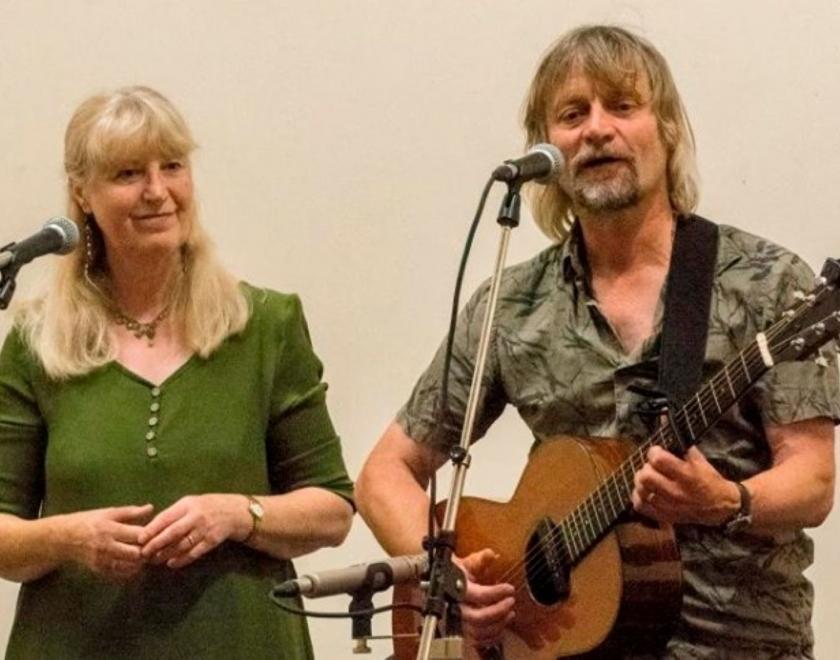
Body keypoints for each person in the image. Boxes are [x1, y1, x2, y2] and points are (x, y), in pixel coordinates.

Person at [356, 25, 839, 658]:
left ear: (665, 130)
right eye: (572, 114)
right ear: (548, 150)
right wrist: (445, 573)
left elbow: (813, 481)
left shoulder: (767, 282)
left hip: (739, 644)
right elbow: (383, 474)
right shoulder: (512, 304)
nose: (596, 129)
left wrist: (725, 500)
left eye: (622, 105)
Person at [0, 86, 354, 659]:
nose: (157, 192)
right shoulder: (37, 340)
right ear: (82, 194)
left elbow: (333, 510)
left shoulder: (266, 325)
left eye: (172, 166)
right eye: (127, 174)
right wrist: (67, 538)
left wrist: (240, 513)